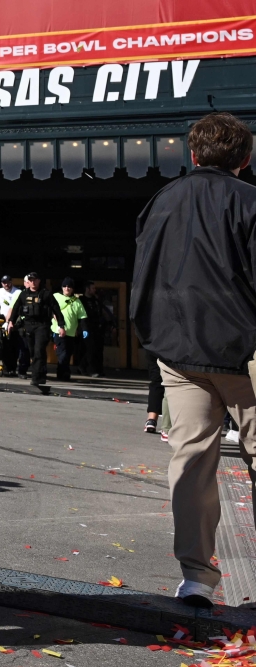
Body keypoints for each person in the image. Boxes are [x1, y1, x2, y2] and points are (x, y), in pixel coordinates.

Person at [130, 111, 256, 609]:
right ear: (244, 160)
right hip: (245, 349)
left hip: (180, 351)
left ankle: (196, 576)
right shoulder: (250, 202)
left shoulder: (162, 201)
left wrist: (155, 336)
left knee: (192, 459)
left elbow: (143, 272)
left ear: (193, 154)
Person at [7, 272, 65, 386]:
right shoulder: (23, 295)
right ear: (28, 282)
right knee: (33, 352)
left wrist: (61, 326)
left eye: (35, 280)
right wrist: (11, 322)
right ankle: (41, 374)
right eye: (31, 280)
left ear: (39, 281)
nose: (33, 282)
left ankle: (36, 378)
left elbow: (56, 310)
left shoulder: (46, 294)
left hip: (42, 326)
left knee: (39, 351)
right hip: (28, 326)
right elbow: (16, 308)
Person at [51, 277, 87, 382]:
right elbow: (47, 308)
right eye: (65, 286)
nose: (67, 288)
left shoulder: (77, 301)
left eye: (69, 286)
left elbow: (82, 317)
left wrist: (84, 329)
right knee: (63, 354)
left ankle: (63, 373)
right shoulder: (55, 297)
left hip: (71, 334)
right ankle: (63, 374)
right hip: (58, 331)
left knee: (68, 354)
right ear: (62, 287)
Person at [78, 281, 110, 377]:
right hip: (86, 328)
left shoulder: (96, 300)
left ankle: (98, 369)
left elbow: (102, 312)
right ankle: (90, 369)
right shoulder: (81, 300)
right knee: (90, 350)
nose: (94, 290)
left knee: (98, 350)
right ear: (87, 289)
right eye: (93, 288)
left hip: (97, 328)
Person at [0, 275, 21, 376]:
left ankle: (12, 369)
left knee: (13, 347)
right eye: (4, 283)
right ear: (2, 283)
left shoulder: (17, 292)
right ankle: (6, 368)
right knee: (3, 346)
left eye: (8, 282)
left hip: (14, 323)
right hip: (2, 323)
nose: (6, 284)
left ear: (11, 282)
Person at [143, 350, 164, 433]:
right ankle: (169, 425)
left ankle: (152, 419)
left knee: (156, 381)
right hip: (174, 347)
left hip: (154, 345)